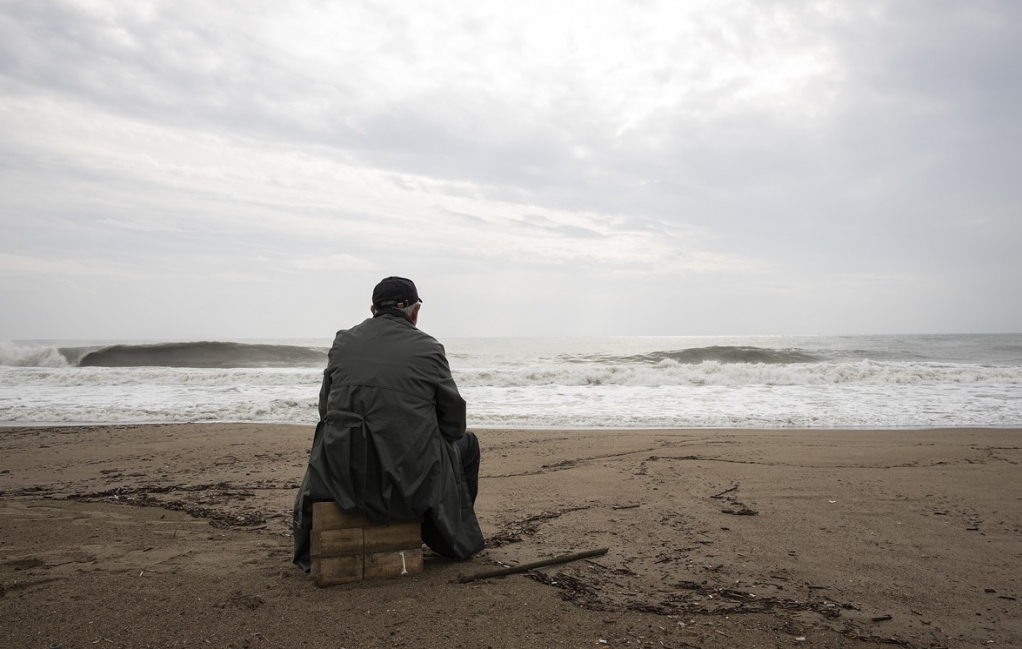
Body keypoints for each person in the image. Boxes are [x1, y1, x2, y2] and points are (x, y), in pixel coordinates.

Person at [292, 276, 484, 571]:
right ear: (416, 311)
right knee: (467, 445)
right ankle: (446, 536)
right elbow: (454, 423)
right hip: (405, 480)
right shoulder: (429, 348)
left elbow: (325, 409)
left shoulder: (343, 341)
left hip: (340, 476)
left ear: (373, 309)